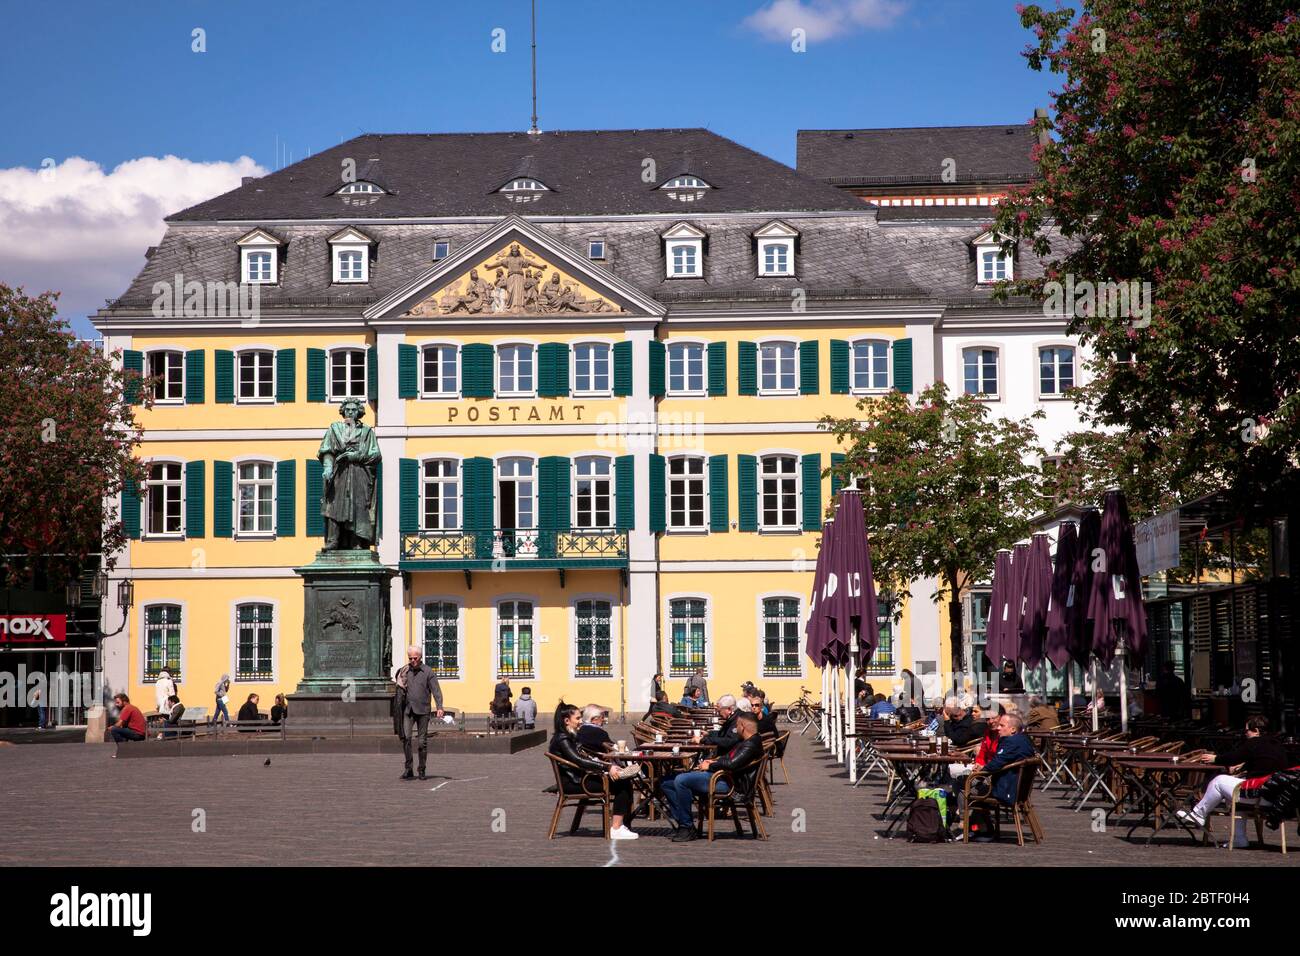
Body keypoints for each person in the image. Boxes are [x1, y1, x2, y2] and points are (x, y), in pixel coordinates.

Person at [1177, 716, 1290, 847]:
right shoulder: (1277, 745)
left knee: (1218, 781)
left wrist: (1215, 758)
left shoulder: (1254, 743)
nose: (1245, 733)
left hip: (1260, 795)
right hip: (1277, 797)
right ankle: (1239, 838)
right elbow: (1264, 763)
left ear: (1257, 730)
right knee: (1235, 794)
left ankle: (1198, 813)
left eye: (1247, 730)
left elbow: (1233, 757)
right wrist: (1243, 766)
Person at [661, 712, 764, 843]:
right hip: (723, 777)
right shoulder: (746, 741)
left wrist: (709, 766)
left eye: (737, 725)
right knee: (666, 783)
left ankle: (686, 827)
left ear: (743, 726)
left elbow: (731, 764)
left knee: (681, 780)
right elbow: (730, 760)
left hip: (730, 784)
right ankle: (685, 823)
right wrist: (713, 761)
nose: (735, 728)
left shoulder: (750, 744)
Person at [549, 703, 639, 840]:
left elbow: (585, 756)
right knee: (623, 782)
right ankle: (616, 828)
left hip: (580, 778)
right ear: (567, 721)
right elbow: (579, 760)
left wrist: (607, 766)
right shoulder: (563, 739)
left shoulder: (569, 736)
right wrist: (607, 768)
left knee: (622, 778)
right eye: (578, 718)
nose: (581, 721)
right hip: (575, 783)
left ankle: (621, 825)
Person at [968, 713, 1036, 841]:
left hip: (1007, 790)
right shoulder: (1023, 739)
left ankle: (981, 829)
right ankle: (980, 827)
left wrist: (982, 769)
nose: (998, 728)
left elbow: (997, 763)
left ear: (1013, 729)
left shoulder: (1011, 742)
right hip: (1020, 790)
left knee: (968, 788)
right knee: (973, 785)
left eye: (1002, 725)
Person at [396, 645, 445, 780]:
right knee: (406, 738)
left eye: (415, 658)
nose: (412, 660)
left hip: (423, 711)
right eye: (410, 658)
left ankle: (422, 769)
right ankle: (408, 768)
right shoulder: (406, 671)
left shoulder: (428, 672)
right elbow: (400, 688)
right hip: (408, 710)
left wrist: (439, 706)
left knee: (422, 742)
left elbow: (436, 690)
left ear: (420, 657)